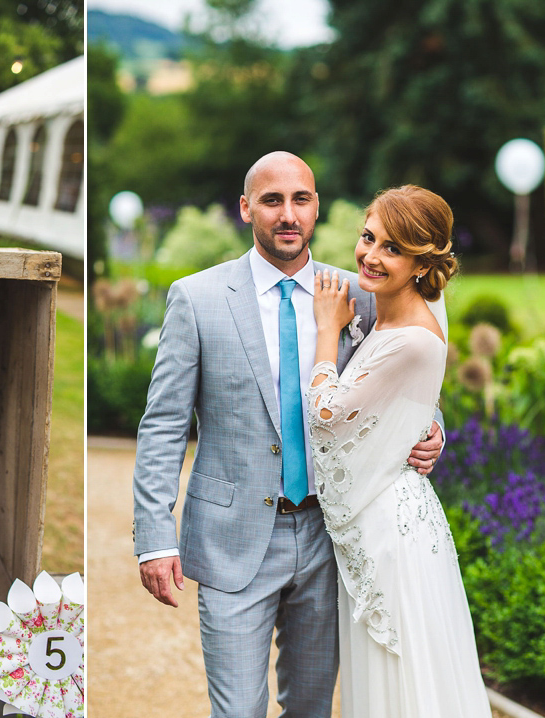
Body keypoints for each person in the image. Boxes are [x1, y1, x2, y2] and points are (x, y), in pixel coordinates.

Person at [132, 151, 444, 717]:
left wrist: (432, 431)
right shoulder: (197, 298)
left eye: (300, 199)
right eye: (272, 200)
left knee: (311, 707)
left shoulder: (363, 293)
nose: (288, 214)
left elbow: (412, 373)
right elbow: (163, 423)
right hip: (231, 541)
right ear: (246, 208)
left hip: (331, 537)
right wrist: (154, 535)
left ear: (316, 207)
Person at [309, 185, 490, 716]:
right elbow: (413, 401)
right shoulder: (407, 307)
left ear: (421, 261)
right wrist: (430, 424)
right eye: (368, 238)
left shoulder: (411, 334)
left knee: (404, 683)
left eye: (392, 248)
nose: (369, 255)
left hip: (390, 534)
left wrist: (326, 330)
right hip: (398, 518)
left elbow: (326, 416)